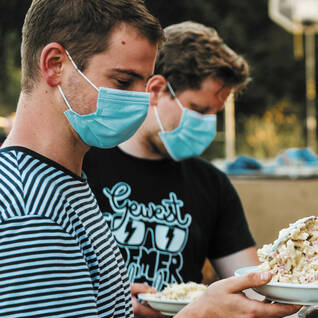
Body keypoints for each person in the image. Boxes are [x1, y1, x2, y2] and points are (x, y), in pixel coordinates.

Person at [0, 1, 297, 317]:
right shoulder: (29, 209)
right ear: (55, 64)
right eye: (123, 81)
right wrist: (199, 314)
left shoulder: (63, 181)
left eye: (145, 83)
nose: (142, 101)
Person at [82, 21, 259, 317]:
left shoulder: (212, 184)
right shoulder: (84, 164)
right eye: (199, 110)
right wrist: (111, 299)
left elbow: (252, 284)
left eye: (214, 114)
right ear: (157, 89)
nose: (206, 124)